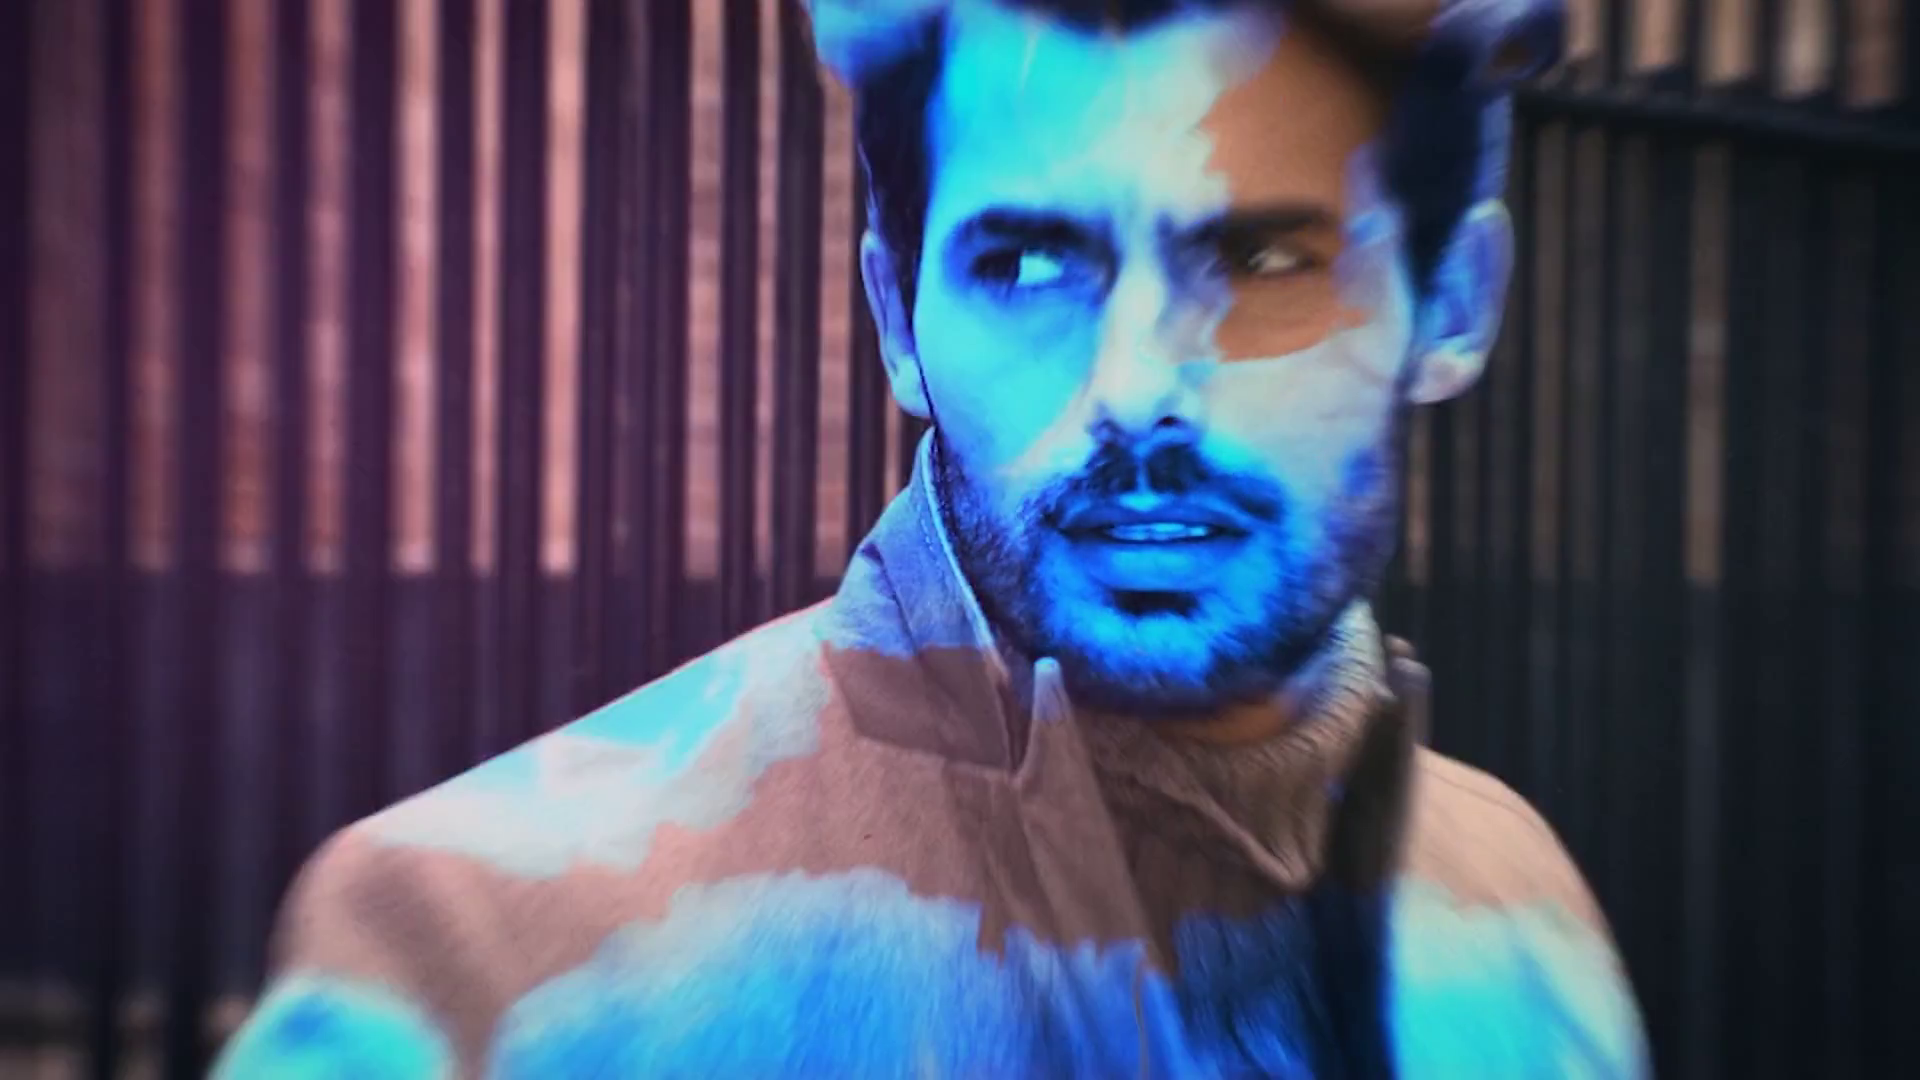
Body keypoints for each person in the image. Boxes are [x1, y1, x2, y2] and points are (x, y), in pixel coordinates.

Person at [216, 0, 1649, 1074]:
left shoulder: (1523, 916)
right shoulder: (488, 963)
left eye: (1265, 256)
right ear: (898, 319)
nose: (1136, 388)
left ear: (1456, 302)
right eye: (1028, 263)